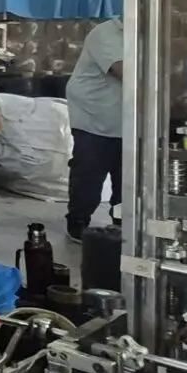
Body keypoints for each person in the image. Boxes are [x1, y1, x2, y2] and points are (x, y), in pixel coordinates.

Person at [65, 16, 124, 238]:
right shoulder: (106, 33)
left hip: (124, 118)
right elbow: (123, 70)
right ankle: (78, 224)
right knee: (89, 174)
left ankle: (122, 222)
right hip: (94, 117)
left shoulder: (145, 35)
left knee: (127, 178)